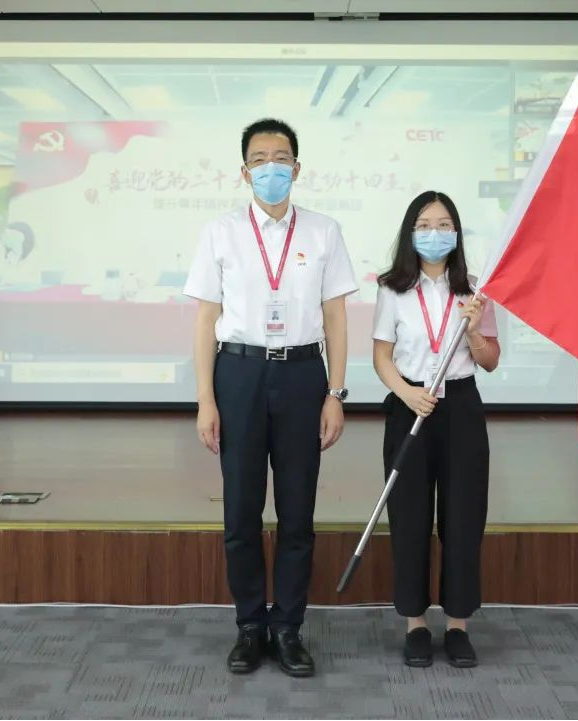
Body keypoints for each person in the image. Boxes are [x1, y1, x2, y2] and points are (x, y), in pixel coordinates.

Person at [184, 119, 357, 677]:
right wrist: (205, 399)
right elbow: (206, 320)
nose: (271, 168)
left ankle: (287, 627)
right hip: (239, 373)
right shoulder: (221, 232)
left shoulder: (324, 231)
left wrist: (335, 392)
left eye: (281, 158)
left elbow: (336, 317)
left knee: (297, 511)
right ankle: (249, 626)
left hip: (303, 374)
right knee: (240, 511)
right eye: (259, 159)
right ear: (244, 172)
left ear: (297, 168)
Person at [371, 191, 500, 668]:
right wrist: (406, 394)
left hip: (460, 407)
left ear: (457, 232)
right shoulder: (392, 288)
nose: (435, 233)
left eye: (444, 224)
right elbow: (381, 355)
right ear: (411, 232)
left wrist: (474, 331)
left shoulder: (477, 290)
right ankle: (416, 625)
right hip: (410, 405)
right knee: (409, 517)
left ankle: (459, 625)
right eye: (425, 225)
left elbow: (490, 360)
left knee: (463, 517)